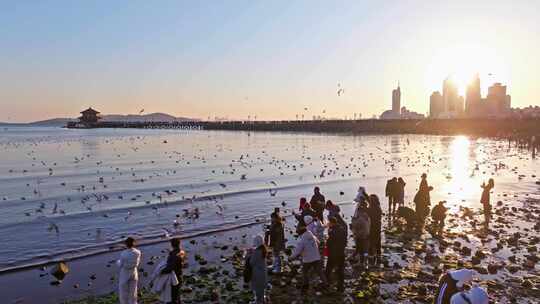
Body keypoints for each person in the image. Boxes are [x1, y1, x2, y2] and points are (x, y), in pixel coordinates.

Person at [290, 224, 327, 294]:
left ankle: (305, 285)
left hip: (307, 259)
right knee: (320, 271)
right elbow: (318, 243)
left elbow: (297, 251)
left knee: (305, 272)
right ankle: (326, 283)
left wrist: (291, 257)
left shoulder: (302, 240)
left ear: (301, 233)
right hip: (316, 257)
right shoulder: (312, 236)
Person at [325, 217, 347, 292]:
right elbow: (344, 241)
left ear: (332, 223)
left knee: (328, 269)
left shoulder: (332, 232)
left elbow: (329, 243)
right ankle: (340, 287)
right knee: (340, 270)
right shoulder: (342, 229)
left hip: (333, 254)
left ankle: (327, 283)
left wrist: (329, 232)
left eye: (329, 222)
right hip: (341, 252)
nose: (328, 224)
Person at [161, 238, 185, 304]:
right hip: (180, 274)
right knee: (177, 293)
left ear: (172, 245)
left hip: (174, 276)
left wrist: (162, 271)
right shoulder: (182, 252)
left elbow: (171, 267)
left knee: (173, 295)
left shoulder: (174, 254)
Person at [118, 237, 142, 304]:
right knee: (133, 290)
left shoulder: (123, 254)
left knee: (123, 291)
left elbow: (120, 265)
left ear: (126, 244)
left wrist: (118, 262)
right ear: (133, 243)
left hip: (125, 273)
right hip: (134, 271)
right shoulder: (138, 252)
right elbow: (137, 263)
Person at [246, 235, 268, 304]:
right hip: (263, 272)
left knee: (257, 289)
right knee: (261, 288)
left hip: (257, 274)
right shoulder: (263, 250)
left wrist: (248, 254)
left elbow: (251, 263)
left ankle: (258, 301)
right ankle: (262, 299)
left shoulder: (256, 252)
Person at [351, 199, 371, 268]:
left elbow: (354, 226)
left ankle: (361, 262)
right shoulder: (367, 217)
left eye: (358, 211)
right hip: (367, 235)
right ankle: (365, 262)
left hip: (361, 236)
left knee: (360, 250)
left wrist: (353, 220)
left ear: (359, 211)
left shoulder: (360, 219)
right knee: (365, 250)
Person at [367, 194, 382, 266]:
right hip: (378, 227)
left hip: (372, 227)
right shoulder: (378, 207)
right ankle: (378, 255)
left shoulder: (371, 209)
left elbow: (368, 213)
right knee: (378, 241)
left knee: (371, 242)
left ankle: (371, 258)